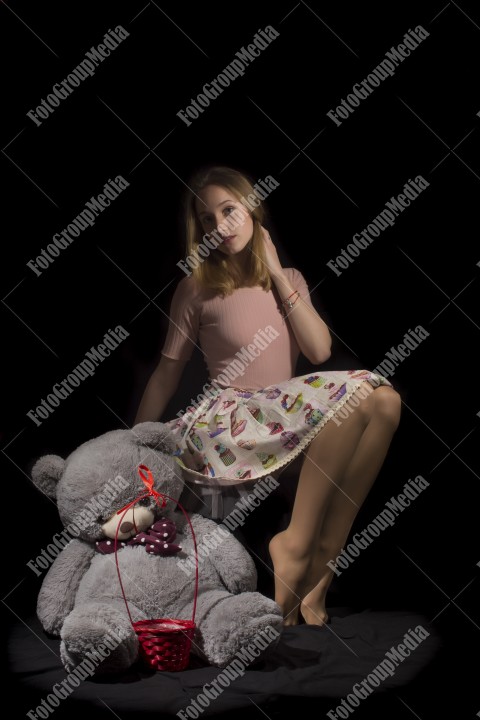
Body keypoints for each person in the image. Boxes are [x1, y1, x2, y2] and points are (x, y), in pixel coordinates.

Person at [134, 165, 401, 626]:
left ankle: (318, 570)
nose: (221, 225)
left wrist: (276, 272)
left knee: (385, 401)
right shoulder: (196, 289)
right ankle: (295, 543)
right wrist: (134, 442)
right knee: (359, 394)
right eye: (208, 218)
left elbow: (319, 350)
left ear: (252, 208)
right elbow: (166, 373)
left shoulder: (290, 278)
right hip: (230, 424)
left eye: (230, 210)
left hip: (288, 415)